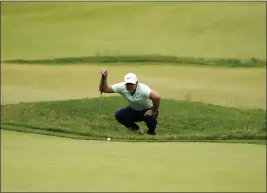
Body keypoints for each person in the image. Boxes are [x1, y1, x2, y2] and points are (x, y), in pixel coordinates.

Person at [99, 68, 161, 135]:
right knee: (119, 115)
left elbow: (157, 97)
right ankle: (136, 129)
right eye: (127, 84)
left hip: (148, 109)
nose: (129, 86)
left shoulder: (143, 89)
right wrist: (104, 78)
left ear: (137, 83)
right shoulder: (122, 87)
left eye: (131, 84)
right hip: (134, 109)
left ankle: (151, 132)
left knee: (150, 117)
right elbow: (104, 89)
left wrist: (153, 111)